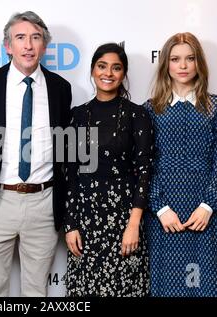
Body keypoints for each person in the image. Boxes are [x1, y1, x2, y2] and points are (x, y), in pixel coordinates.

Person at [0, 11, 72, 297]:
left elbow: (66, 147)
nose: (28, 45)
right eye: (21, 38)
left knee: (37, 291)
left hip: (44, 203)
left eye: (35, 38)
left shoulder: (61, 88)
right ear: (8, 46)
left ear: (44, 46)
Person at [143, 32, 217, 297]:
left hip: (203, 214)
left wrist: (207, 206)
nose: (183, 66)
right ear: (165, 64)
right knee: (165, 288)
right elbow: (146, 165)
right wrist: (160, 208)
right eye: (175, 59)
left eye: (190, 59)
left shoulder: (216, 106)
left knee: (206, 287)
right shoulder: (150, 109)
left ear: (199, 63)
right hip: (163, 216)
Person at [64, 43, 153, 296]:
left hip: (124, 221)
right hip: (85, 221)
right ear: (92, 70)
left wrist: (134, 224)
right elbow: (69, 174)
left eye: (116, 68)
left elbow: (145, 172)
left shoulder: (138, 115)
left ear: (123, 74)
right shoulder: (75, 116)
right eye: (102, 66)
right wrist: (70, 224)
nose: (108, 73)